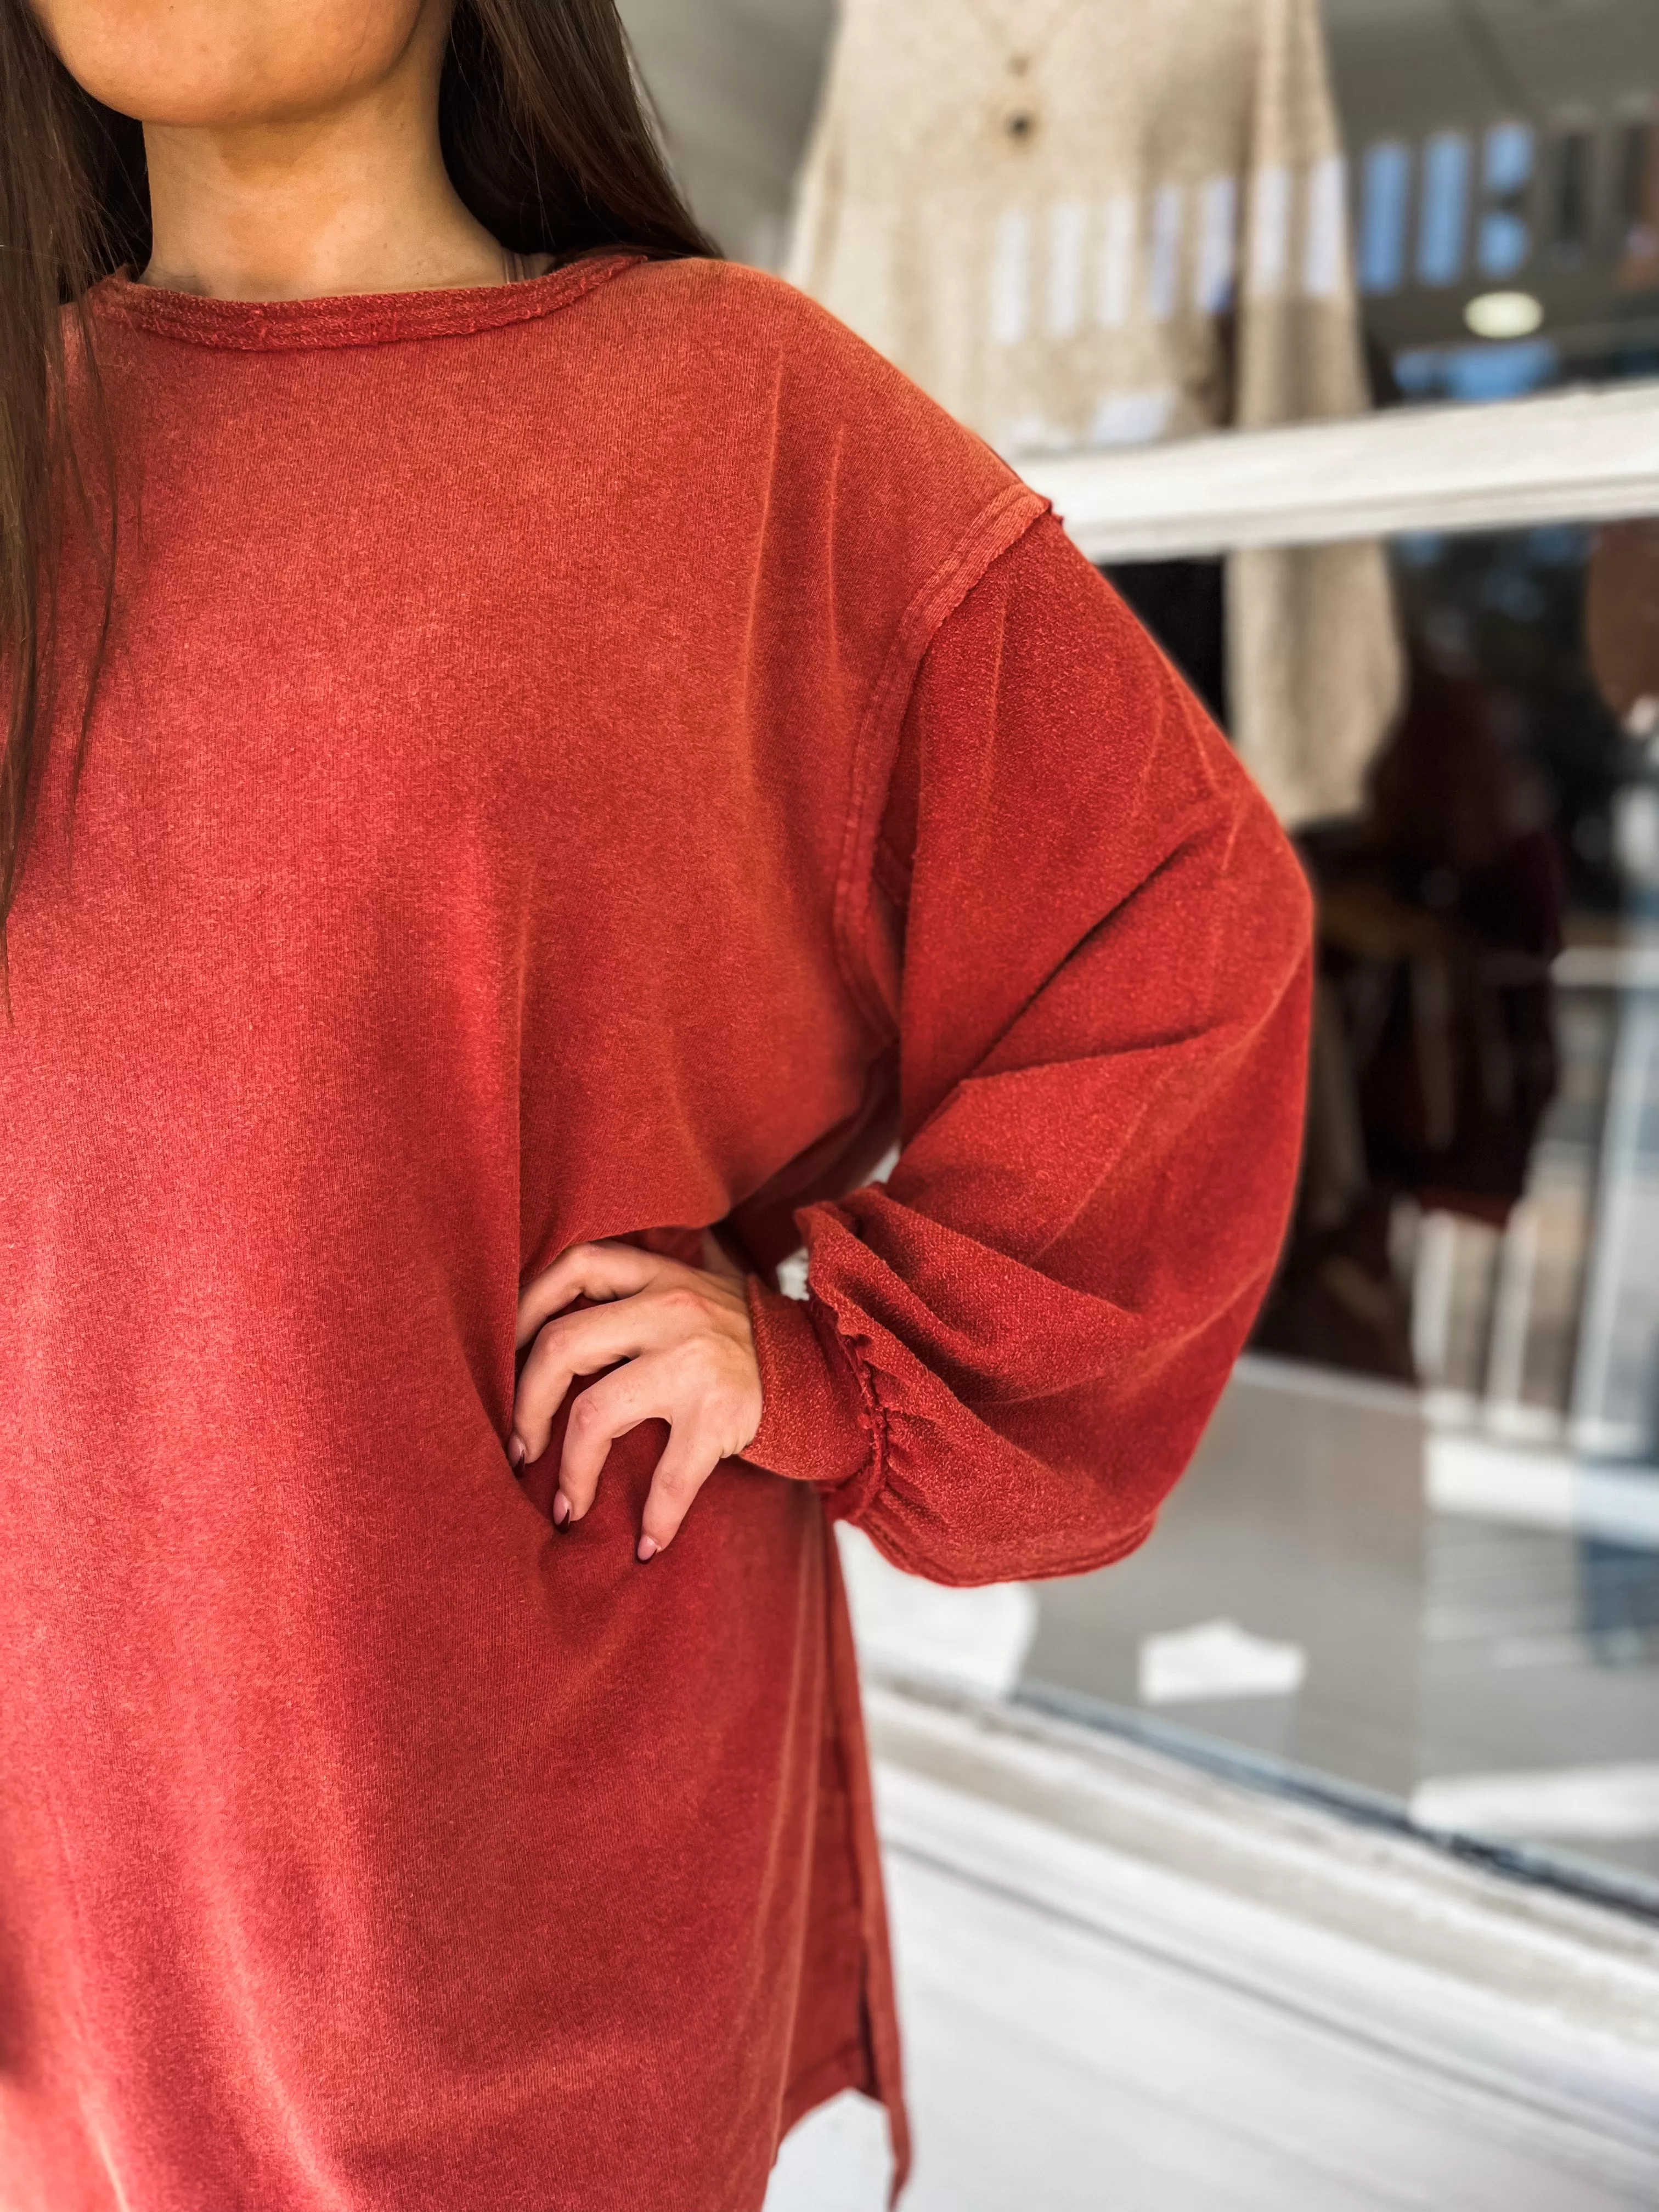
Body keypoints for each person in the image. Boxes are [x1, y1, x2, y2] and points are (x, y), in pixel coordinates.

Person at [0, 3, 1313, 2207]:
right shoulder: (32, 440)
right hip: (58, 1883)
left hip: (504, 1898)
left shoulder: (737, 423)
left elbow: (1177, 934)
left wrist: (835, 1362)